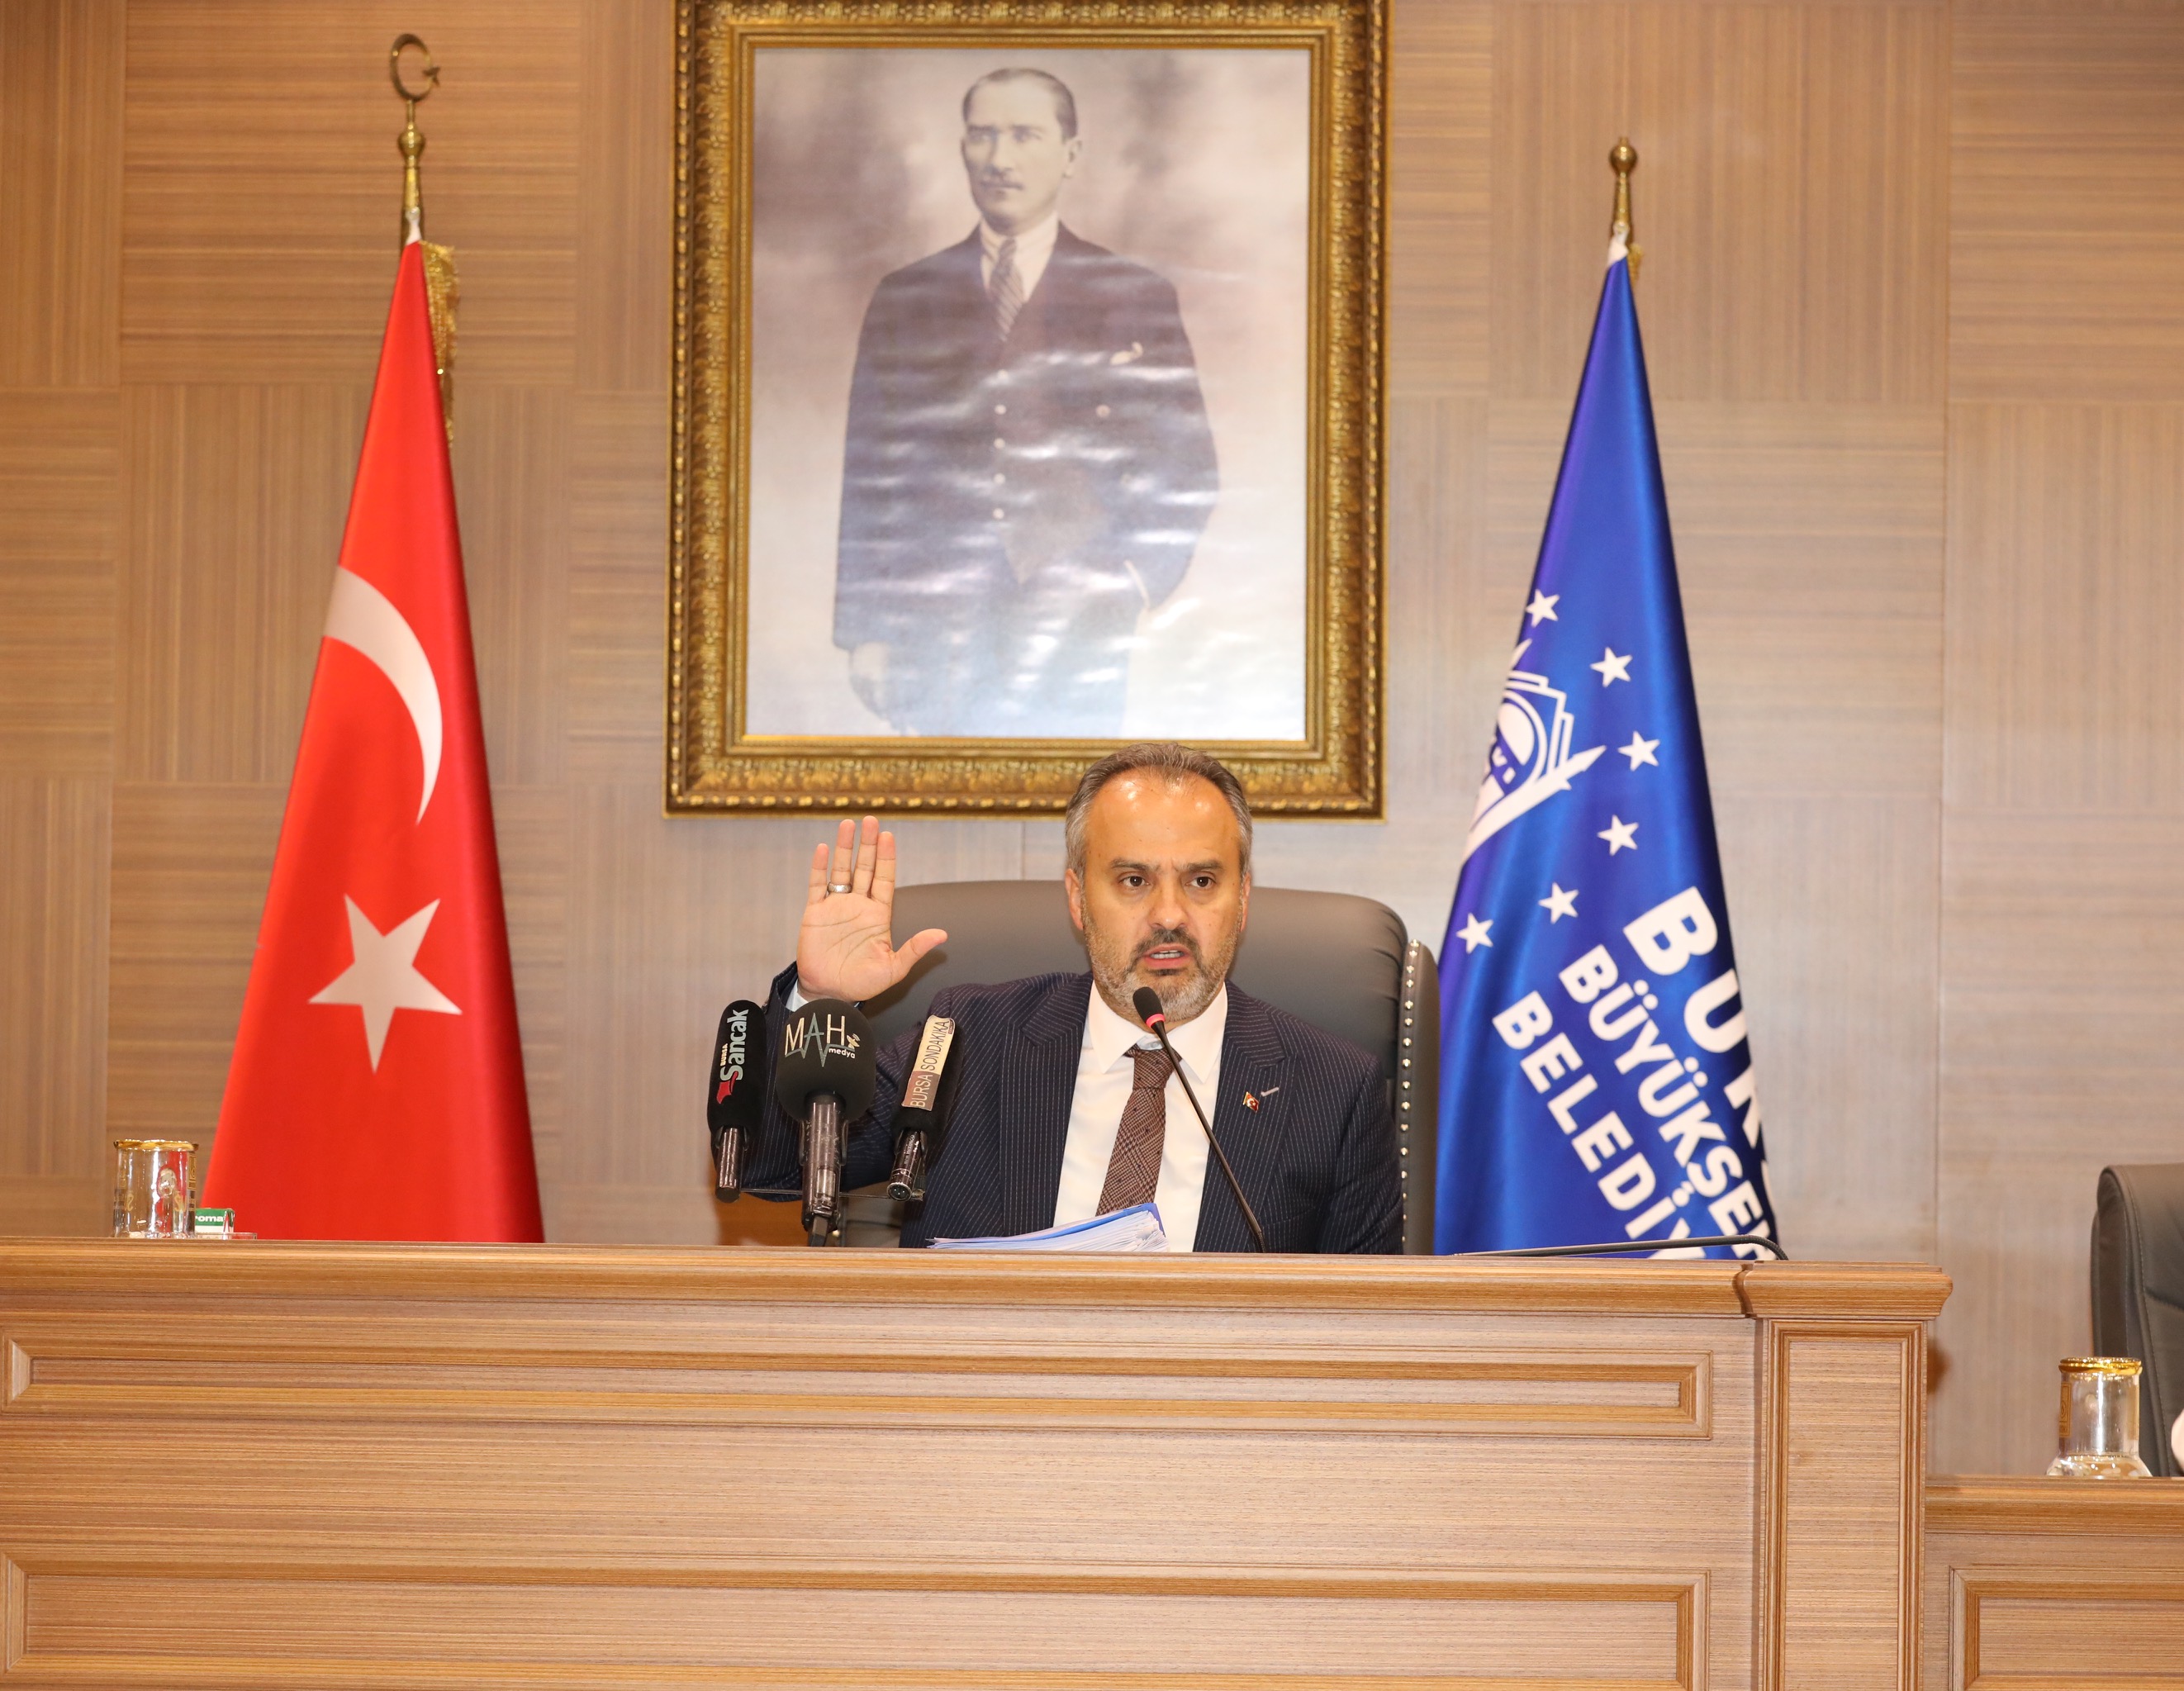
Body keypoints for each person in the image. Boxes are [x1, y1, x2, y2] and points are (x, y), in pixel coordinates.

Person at [742, 743, 1402, 1252]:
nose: (1169, 914)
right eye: (1133, 879)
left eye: (1201, 880)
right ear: (1078, 898)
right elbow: (771, 1168)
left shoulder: (1332, 1090)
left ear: (1244, 898)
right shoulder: (967, 1040)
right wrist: (817, 1003)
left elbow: (1366, 1327)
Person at [833, 69, 1220, 738]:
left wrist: (1132, 579)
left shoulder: (1133, 293)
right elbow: (871, 474)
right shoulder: (906, 297)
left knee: (1073, 794)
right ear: (962, 149)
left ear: (1070, 154)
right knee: (950, 794)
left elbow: (1186, 460)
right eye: (982, 136)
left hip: (1079, 619)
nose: (999, 158)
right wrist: (867, 629)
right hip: (936, 625)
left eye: (1024, 136)